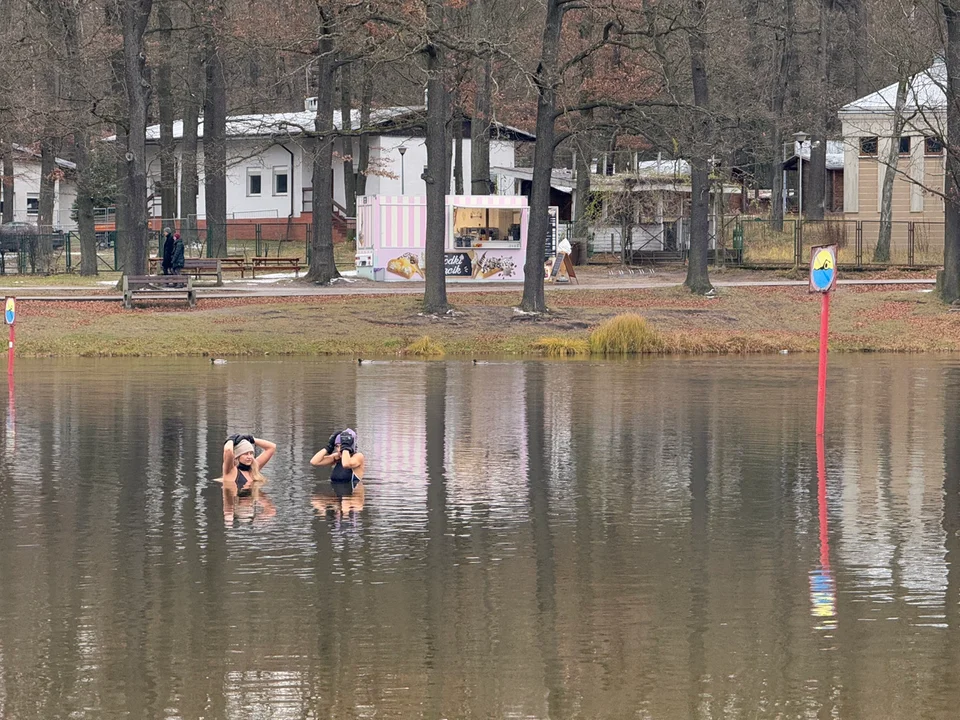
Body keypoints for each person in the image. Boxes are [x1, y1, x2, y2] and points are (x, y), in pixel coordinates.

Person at [219, 433, 277, 526]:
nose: (249, 457)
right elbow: (228, 450)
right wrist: (230, 440)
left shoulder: (254, 469)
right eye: (246, 454)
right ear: (237, 456)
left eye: (251, 453)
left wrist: (252, 439)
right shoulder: (230, 471)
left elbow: (272, 447)